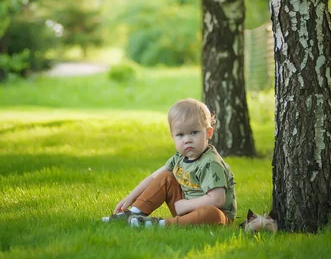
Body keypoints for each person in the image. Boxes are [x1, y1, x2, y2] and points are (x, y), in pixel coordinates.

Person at [101, 98, 236, 228]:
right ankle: (134, 213)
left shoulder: (211, 163)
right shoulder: (178, 158)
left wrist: (186, 205)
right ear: (173, 136)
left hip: (215, 216)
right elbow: (154, 177)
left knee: (213, 214)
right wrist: (130, 198)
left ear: (208, 133)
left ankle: (161, 224)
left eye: (194, 132)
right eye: (180, 135)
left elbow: (217, 199)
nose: (187, 140)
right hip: (185, 209)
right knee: (166, 176)